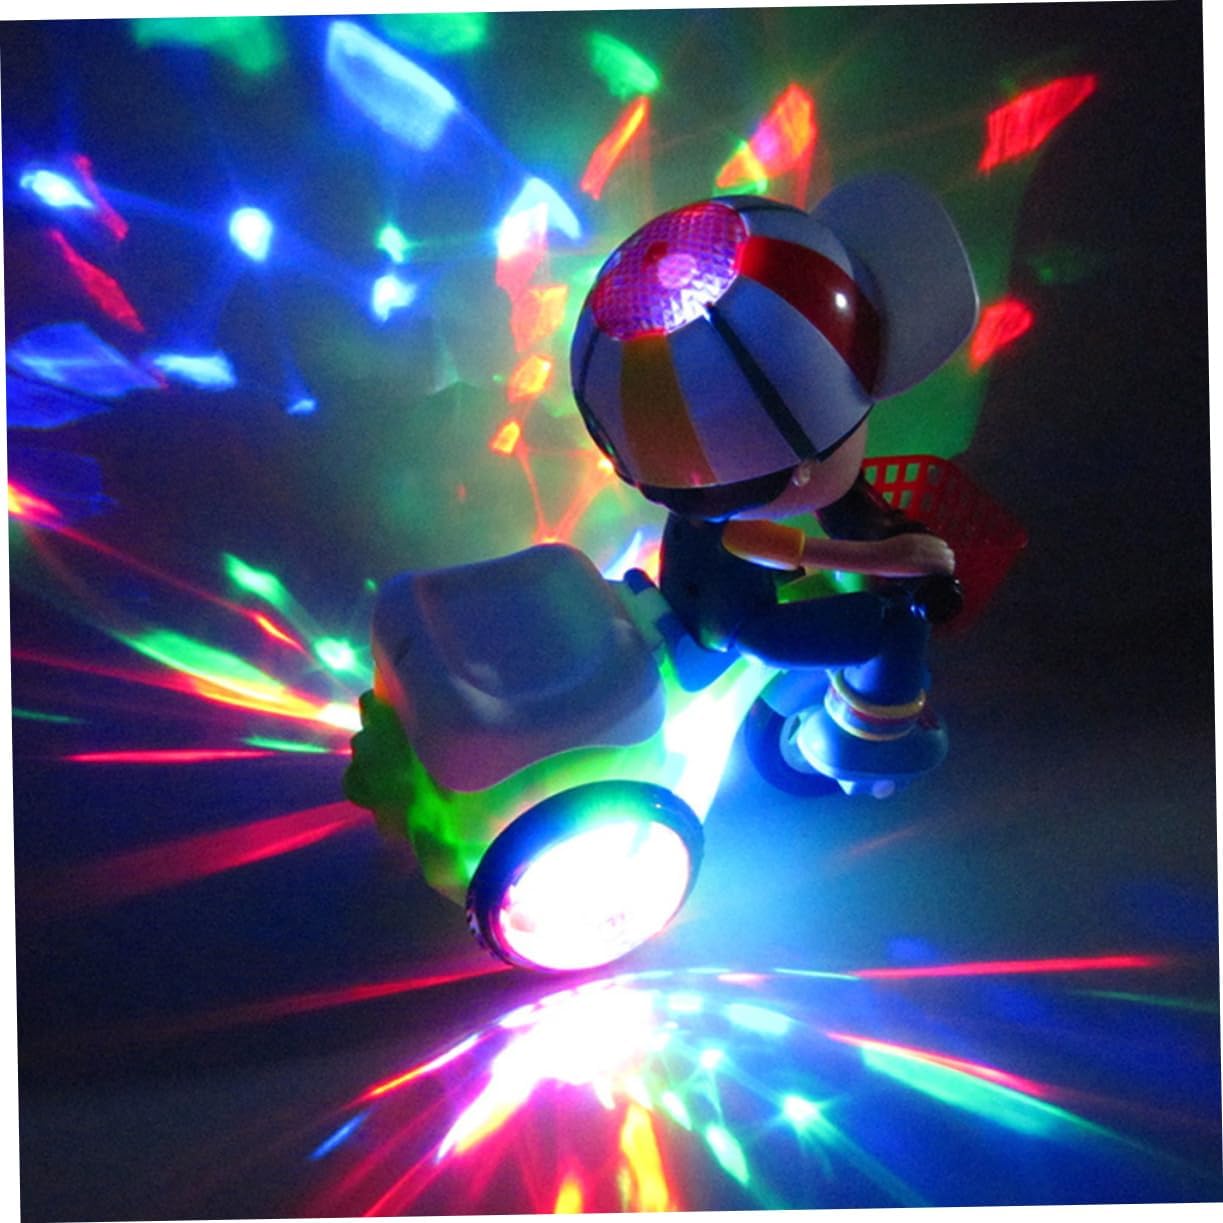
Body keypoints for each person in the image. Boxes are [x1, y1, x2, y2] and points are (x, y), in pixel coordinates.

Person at [569, 174, 978, 790]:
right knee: (892, 627)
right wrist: (889, 558)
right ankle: (862, 744)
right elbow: (790, 546)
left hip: (707, 595)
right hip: (743, 626)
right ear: (800, 467)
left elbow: (831, 507)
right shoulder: (745, 525)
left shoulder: (710, 491)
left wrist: (881, 537)